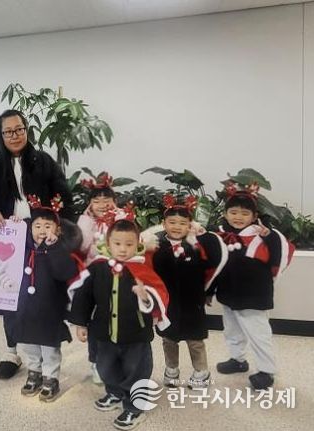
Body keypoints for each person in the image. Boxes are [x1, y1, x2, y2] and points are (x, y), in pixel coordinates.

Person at [0, 109, 74, 379]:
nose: (15, 135)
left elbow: (64, 197)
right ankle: (12, 351)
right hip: (8, 238)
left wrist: (59, 231)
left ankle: (46, 357)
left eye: (19, 129)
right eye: (8, 132)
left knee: (43, 295)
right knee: (10, 293)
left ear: (26, 130)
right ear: (0, 135)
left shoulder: (44, 162)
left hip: (42, 236)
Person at [70, 207, 169, 431]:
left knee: (136, 371)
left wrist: (145, 296)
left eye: (129, 244)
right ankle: (114, 393)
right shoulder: (98, 268)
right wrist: (81, 323)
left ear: (138, 244)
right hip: (104, 333)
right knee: (105, 367)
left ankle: (135, 407)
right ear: (108, 243)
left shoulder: (142, 268)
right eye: (117, 243)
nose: (123, 249)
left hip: (135, 334)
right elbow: (84, 296)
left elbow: (159, 294)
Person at [209, 185, 294, 390]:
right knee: (232, 330)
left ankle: (267, 370)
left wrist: (269, 237)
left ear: (254, 216)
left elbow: (281, 254)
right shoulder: (220, 236)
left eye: (245, 213)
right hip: (228, 294)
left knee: (258, 334)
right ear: (225, 213)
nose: (238, 217)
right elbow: (213, 266)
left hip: (253, 297)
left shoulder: (263, 236)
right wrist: (209, 290)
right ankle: (237, 359)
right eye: (233, 212)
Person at [141, 194, 227, 389]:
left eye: (182, 223)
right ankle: (171, 369)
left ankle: (201, 372)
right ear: (163, 224)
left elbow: (213, 264)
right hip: (168, 303)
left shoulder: (198, 245)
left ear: (190, 225)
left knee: (195, 340)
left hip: (192, 302)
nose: (177, 227)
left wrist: (208, 292)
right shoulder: (155, 247)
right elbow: (144, 268)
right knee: (169, 339)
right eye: (172, 222)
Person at [13, 194, 81, 403]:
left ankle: (51, 377)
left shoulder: (60, 249)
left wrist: (54, 248)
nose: (42, 230)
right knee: (29, 343)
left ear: (57, 230)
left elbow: (65, 272)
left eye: (47, 226)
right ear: (30, 229)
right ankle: (34, 371)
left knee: (49, 346)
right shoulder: (23, 249)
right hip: (26, 309)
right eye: (37, 226)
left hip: (50, 309)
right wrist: (13, 227)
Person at [75, 171, 118, 385]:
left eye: (106, 199)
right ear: (90, 203)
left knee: (117, 317)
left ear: (114, 201)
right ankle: (95, 361)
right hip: (94, 277)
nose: (102, 204)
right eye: (96, 200)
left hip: (118, 275)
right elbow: (81, 247)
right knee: (95, 322)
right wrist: (87, 222)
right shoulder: (85, 221)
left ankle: (116, 360)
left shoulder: (121, 219)